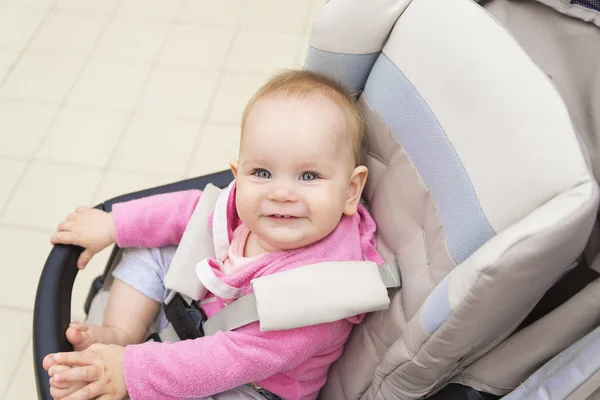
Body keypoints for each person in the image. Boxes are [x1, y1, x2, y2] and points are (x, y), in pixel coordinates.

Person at [43, 69, 383, 400]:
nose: (281, 193)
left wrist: (131, 371)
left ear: (351, 190)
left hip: (252, 383)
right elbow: (189, 211)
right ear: (238, 174)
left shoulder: (319, 295)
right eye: (262, 172)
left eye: (308, 176)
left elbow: (228, 359)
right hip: (207, 314)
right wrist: (114, 224)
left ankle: (120, 364)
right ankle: (120, 332)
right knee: (153, 246)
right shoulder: (249, 206)